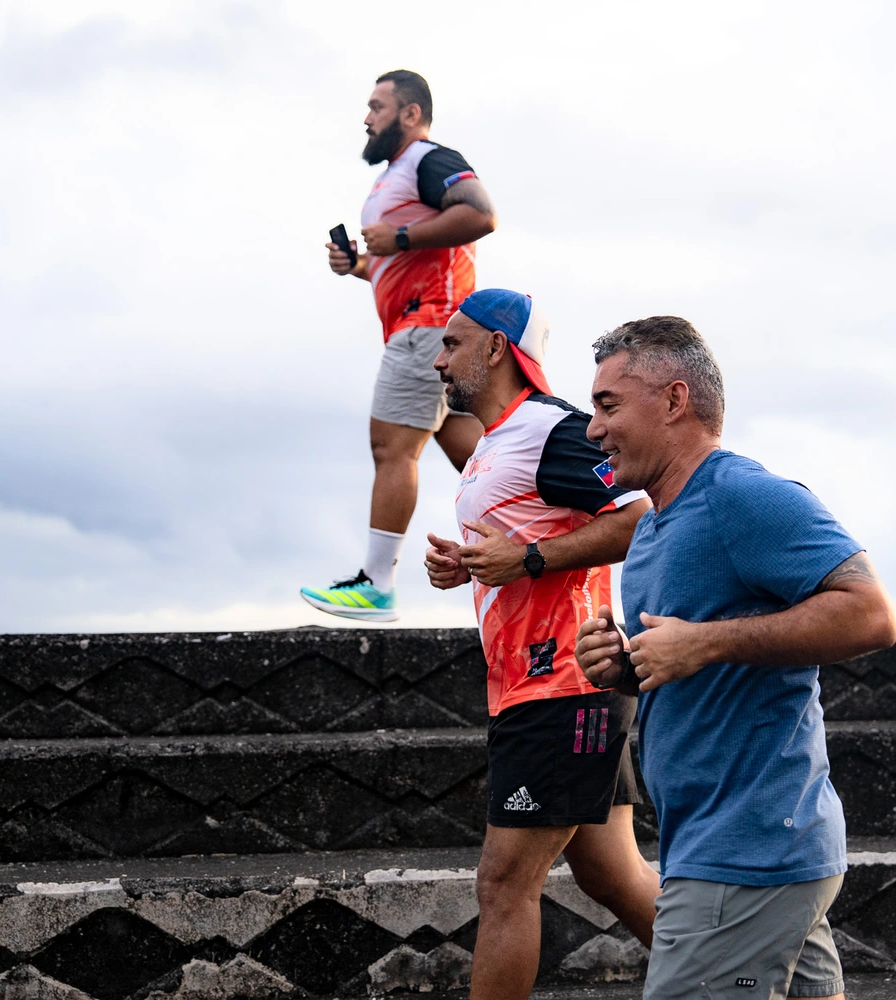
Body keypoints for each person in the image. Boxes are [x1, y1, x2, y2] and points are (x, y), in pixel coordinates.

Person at [574, 316, 896, 1000]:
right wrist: (625, 665)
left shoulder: (743, 496)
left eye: (608, 406)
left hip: (745, 859)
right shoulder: (655, 527)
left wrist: (705, 642)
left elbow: (872, 614)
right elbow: (688, 657)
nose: (592, 430)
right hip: (742, 856)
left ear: (673, 401)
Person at [423, 289, 661, 1000]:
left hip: (562, 684)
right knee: (610, 873)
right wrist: (465, 563)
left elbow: (638, 517)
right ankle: (740, 983)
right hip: (543, 687)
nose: (439, 360)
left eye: (452, 343)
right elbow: (529, 538)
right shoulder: (497, 443)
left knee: (503, 883)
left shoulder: (552, 430)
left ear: (496, 348)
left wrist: (528, 559)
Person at [301, 69, 497, 621]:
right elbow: (403, 265)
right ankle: (538, 548)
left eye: (377, 106)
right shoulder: (394, 177)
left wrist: (401, 237)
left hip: (426, 329)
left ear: (410, 114)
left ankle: (376, 585)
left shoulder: (428, 160)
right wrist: (361, 264)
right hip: (427, 326)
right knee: (483, 459)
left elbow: (481, 213)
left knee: (392, 449)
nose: (366, 118)